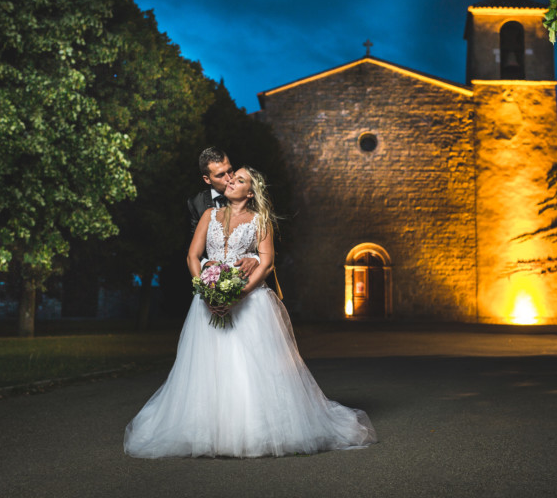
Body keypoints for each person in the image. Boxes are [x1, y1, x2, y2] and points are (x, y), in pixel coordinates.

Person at [124, 166, 377, 458]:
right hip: (206, 302)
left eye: (239, 179)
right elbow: (193, 256)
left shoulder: (260, 220)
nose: (231, 181)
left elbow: (267, 263)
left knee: (247, 367)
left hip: (250, 303)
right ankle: (208, 430)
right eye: (231, 178)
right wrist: (204, 289)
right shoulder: (209, 215)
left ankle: (252, 431)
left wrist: (239, 295)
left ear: (251, 191)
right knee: (207, 367)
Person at [187, 146, 258, 277]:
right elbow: (192, 248)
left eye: (230, 171)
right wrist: (205, 265)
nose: (229, 178)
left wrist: (257, 260)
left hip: (250, 279)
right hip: (213, 280)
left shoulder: (249, 194)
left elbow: (272, 239)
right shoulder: (197, 203)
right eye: (220, 175)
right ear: (207, 179)